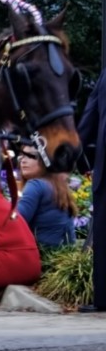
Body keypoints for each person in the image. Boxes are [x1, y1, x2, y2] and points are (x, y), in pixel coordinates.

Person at [77, 70, 106, 310]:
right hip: (104, 167)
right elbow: (90, 115)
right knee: (103, 231)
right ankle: (102, 299)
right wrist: (73, 150)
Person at [17, 145, 76, 249]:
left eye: (31, 156)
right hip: (62, 257)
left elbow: (16, 221)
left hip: (42, 257)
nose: (23, 161)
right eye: (21, 156)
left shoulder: (36, 185)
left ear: (45, 160)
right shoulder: (58, 185)